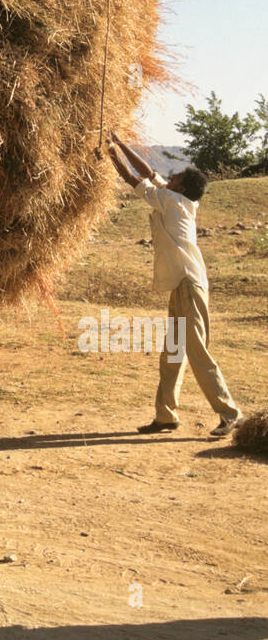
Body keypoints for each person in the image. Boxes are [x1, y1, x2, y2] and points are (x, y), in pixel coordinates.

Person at [105, 131, 243, 438]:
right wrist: (121, 141)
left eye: (175, 176)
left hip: (189, 286)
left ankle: (230, 414)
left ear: (181, 186)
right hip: (184, 285)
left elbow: (132, 178)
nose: (169, 176)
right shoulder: (178, 200)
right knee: (172, 354)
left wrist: (111, 153)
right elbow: (147, 172)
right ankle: (166, 416)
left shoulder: (170, 201)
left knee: (196, 352)